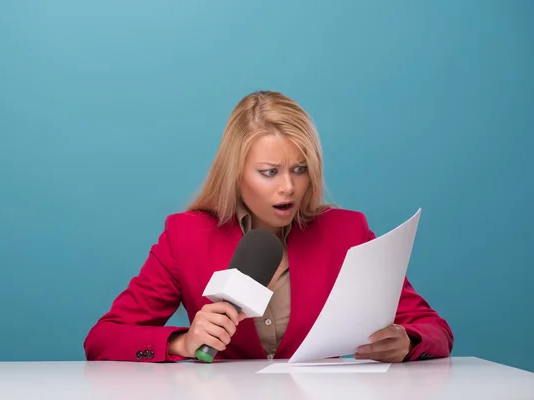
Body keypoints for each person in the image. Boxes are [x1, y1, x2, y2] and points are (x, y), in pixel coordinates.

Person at [83, 90, 453, 363]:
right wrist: (183, 341)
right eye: (269, 172)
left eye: (299, 169)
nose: (288, 187)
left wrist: (409, 341)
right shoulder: (186, 236)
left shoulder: (347, 232)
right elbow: (102, 339)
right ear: (236, 173)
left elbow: (434, 328)